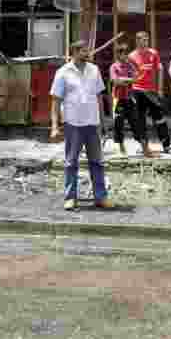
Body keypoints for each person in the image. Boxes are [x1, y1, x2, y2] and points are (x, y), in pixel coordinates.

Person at [51, 40, 112, 211]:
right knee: (71, 162)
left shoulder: (94, 70)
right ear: (75, 52)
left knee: (97, 162)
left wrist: (104, 121)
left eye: (87, 51)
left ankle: (100, 197)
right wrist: (55, 126)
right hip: (73, 123)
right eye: (84, 51)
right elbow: (55, 100)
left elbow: (99, 97)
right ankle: (70, 198)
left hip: (92, 123)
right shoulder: (63, 72)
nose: (87, 54)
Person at [128, 31, 171, 155]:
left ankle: (167, 146)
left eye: (147, 39)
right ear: (137, 41)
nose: (145, 42)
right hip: (137, 90)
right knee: (140, 120)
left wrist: (160, 89)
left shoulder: (153, 53)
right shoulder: (131, 56)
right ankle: (144, 147)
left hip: (151, 91)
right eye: (143, 40)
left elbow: (160, 69)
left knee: (159, 118)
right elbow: (129, 75)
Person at [109, 44, 142, 156]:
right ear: (118, 54)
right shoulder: (114, 67)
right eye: (123, 53)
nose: (126, 56)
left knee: (135, 122)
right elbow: (115, 81)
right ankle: (120, 145)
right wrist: (128, 80)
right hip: (118, 98)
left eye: (126, 53)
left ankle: (141, 144)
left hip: (129, 97)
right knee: (118, 122)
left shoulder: (129, 66)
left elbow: (136, 78)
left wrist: (124, 80)